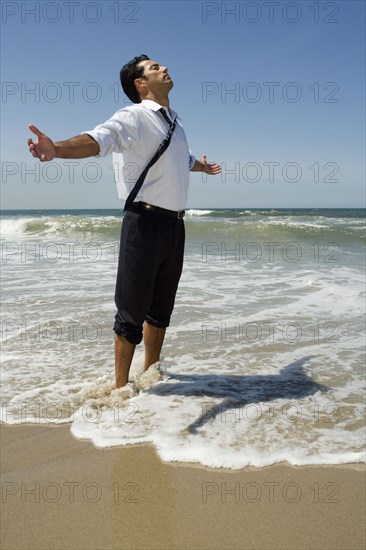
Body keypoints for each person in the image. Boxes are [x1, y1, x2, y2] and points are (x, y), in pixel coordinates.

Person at [28, 54, 221, 388]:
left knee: (162, 309)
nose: (164, 68)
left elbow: (181, 159)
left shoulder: (173, 122)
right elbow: (97, 139)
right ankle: (120, 389)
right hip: (143, 223)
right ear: (140, 83)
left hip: (175, 226)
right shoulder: (133, 116)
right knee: (131, 310)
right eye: (154, 68)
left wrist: (200, 166)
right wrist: (56, 149)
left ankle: (151, 374)